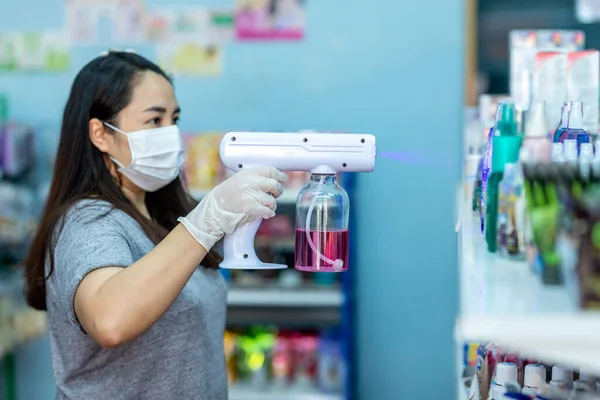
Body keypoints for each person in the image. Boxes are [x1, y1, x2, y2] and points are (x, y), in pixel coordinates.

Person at [23, 51, 288, 399]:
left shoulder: (159, 214)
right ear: (100, 134)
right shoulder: (86, 221)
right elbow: (110, 321)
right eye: (154, 121)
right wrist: (206, 220)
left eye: (173, 119)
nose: (170, 134)